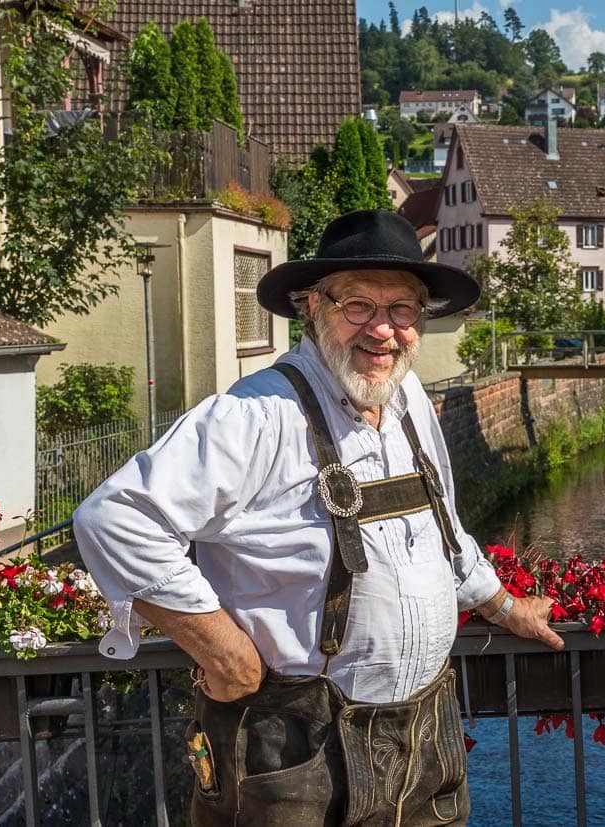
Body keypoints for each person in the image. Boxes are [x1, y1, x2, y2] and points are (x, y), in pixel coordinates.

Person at [74, 209, 564, 826]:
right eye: (357, 304)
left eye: (403, 310)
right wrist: (227, 656)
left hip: (426, 736)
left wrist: (502, 606)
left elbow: (442, 530)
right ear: (312, 307)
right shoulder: (257, 414)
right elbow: (114, 518)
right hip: (295, 749)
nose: (383, 330)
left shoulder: (407, 398)